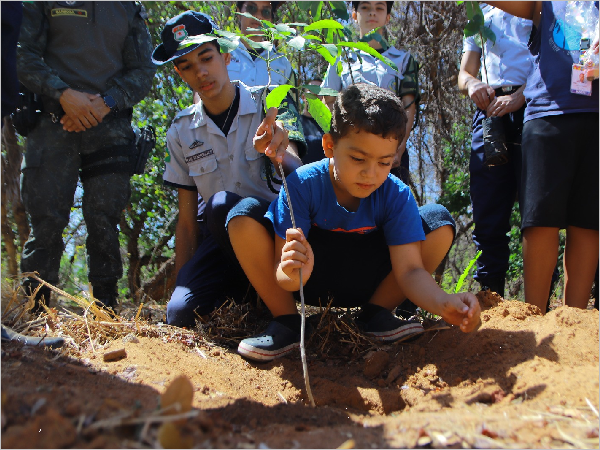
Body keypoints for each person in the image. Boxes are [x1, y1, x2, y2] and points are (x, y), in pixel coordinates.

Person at [228, 83, 481, 362]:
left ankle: (376, 315)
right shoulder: (301, 185)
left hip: (368, 283)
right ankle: (287, 323)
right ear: (329, 146)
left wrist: (443, 302)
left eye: (384, 162)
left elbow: (409, 271)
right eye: (358, 158)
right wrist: (293, 272)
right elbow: (284, 273)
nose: (370, 173)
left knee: (438, 221)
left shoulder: (396, 195)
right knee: (242, 216)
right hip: (308, 283)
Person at [152, 11, 306, 328]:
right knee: (178, 314)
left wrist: (279, 150)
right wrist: (182, 281)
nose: (201, 72)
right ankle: (243, 293)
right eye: (187, 67)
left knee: (223, 203)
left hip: (268, 232)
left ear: (225, 55)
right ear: (180, 74)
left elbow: (298, 170)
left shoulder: (269, 101)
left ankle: (269, 299)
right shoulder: (181, 131)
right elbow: (185, 222)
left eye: (206, 58)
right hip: (219, 239)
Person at [17, 2, 156, 311]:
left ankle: (105, 311)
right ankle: (35, 314)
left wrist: (104, 103)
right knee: (46, 220)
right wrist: (65, 95)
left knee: (105, 219)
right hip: (52, 122)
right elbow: (23, 55)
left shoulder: (128, 8)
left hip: (110, 125)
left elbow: (144, 71)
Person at [487, 2, 599, 311]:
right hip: (548, 114)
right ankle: (534, 316)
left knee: (589, 223)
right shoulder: (544, 3)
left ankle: (574, 320)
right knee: (540, 221)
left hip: (597, 118)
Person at [457, 5, 532, 299]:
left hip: (535, 105)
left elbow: (550, 61)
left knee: (536, 211)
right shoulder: (480, 16)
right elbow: (464, 73)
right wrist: (473, 84)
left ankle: (540, 304)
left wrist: (520, 97)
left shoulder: (539, 7)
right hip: (489, 111)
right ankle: (491, 300)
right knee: (488, 209)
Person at [321, 1, 418, 186]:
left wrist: (399, 147)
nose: (372, 13)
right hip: (351, 153)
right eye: (365, 7)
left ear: (388, 17)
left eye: (379, 8)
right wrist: (338, 144)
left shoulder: (403, 60)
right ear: (355, 15)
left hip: (389, 153)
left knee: (390, 208)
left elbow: (408, 105)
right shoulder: (341, 56)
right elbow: (329, 100)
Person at [299, 78, 326, 165]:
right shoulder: (294, 123)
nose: (315, 93)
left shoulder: (330, 125)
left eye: (319, 90)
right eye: (311, 90)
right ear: (303, 97)